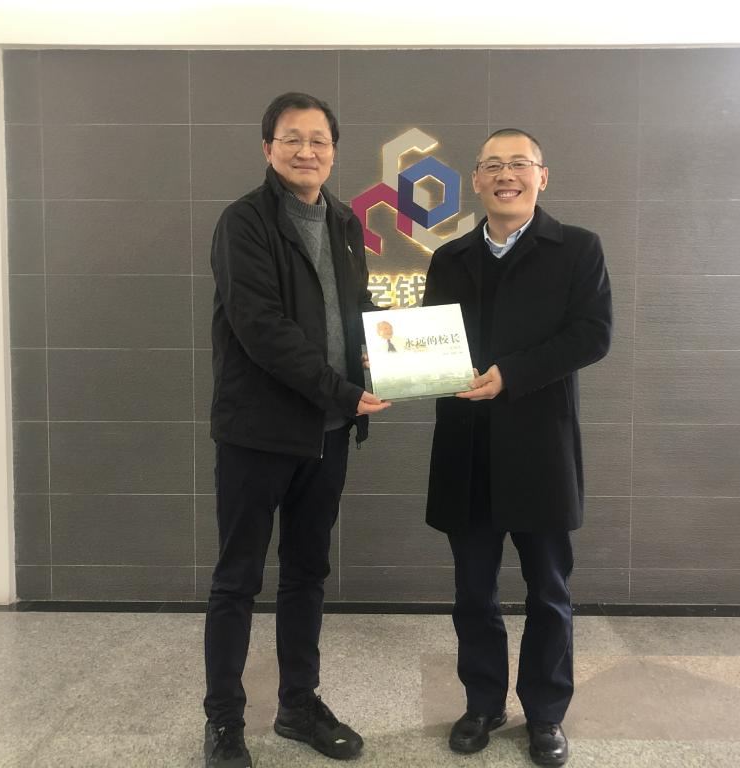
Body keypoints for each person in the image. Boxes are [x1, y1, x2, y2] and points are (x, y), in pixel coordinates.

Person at [203, 92, 390, 768]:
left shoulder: (344, 221)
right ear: (268, 148)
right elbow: (262, 329)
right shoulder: (244, 222)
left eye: (319, 140)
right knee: (238, 579)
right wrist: (342, 389)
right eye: (292, 138)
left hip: (328, 432)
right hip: (258, 432)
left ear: (334, 151)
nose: (306, 150)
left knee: (307, 572)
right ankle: (224, 722)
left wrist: (395, 355)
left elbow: (356, 309)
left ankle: (297, 704)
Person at [422, 128, 613, 767]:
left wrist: (513, 373)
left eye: (519, 164)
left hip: (540, 448)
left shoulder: (577, 248)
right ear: (476, 180)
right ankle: (482, 704)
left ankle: (545, 714)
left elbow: (593, 335)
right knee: (473, 592)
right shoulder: (449, 258)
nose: (507, 175)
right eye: (493, 166)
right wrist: (397, 364)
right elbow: (429, 341)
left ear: (542, 176)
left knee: (549, 591)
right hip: (468, 447)